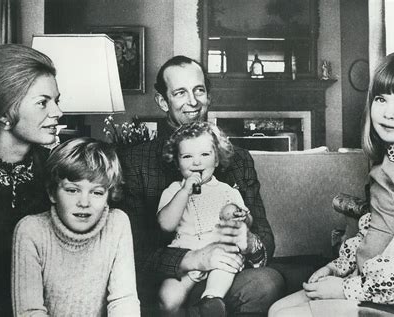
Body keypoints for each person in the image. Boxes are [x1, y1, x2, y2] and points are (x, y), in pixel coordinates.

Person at [268, 50, 394, 317]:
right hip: (368, 281)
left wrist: (347, 288)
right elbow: (375, 234)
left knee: (286, 315)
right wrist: (338, 268)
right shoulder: (385, 162)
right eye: (381, 99)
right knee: (279, 308)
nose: (389, 113)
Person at [118, 55, 285, 316]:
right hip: (168, 278)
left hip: (223, 276)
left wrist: (248, 241)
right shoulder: (135, 161)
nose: (193, 101)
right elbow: (132, 251)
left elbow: (265, 237)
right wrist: (194, 258)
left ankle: (209, 304)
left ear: (209, 95)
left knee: (267, 282)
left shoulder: (237, 159)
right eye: (180, 93)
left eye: (199, 90)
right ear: (163, 101)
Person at [0, 44, 63, 316]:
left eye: (56, 100)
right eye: (43, 102)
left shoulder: (55, 170)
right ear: (4, 113)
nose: (57, 113)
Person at [12, 137, 140, 316]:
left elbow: (124, 300)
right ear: (52, 193)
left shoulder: (117, 223)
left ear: (109, 195)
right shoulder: (31, 230)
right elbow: (30, 312)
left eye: (96, 192)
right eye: (72, 190)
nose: (84, 202)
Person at [157, 121, 253, 315]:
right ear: (177, 163)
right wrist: (185, 191)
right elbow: (165, 225)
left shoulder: (227, 190)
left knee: (225, 268)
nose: (197, 162)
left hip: (221, 253)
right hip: (186, 257)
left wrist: (242, 217)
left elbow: (247, 221)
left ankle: (210, 300)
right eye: (187, 156)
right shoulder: (175, 190)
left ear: (217, 160)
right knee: (168, 297)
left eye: (205, 155)